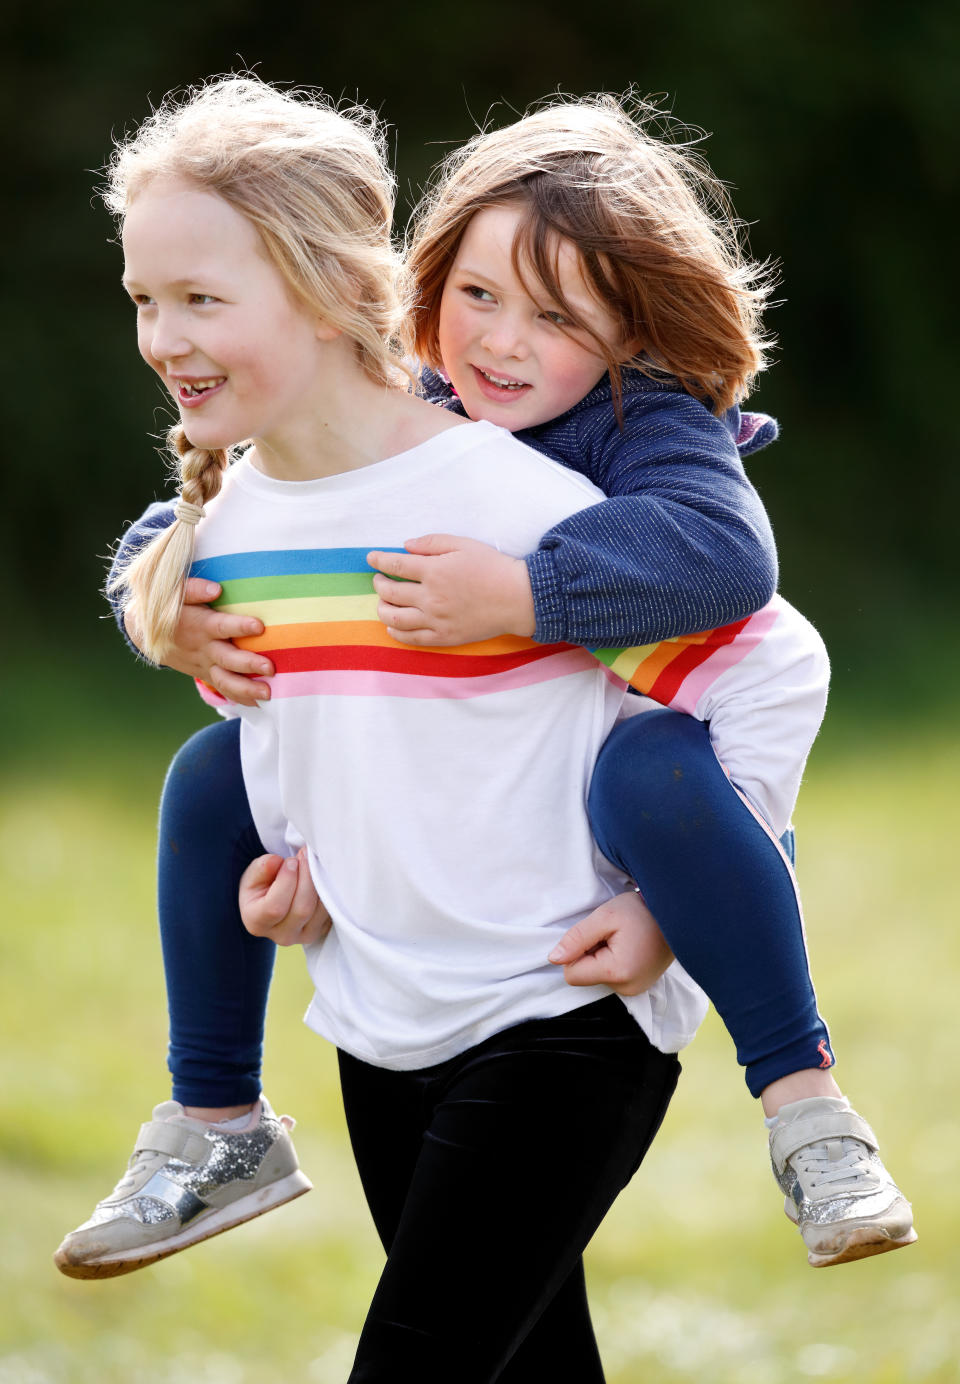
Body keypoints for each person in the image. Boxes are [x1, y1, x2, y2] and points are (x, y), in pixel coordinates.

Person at [55, 86, 913, 1306]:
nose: (503, 344)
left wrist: (528, 592)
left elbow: (744, 596)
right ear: (423, 280)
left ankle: (804, 1103)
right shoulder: (411, 414)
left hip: (600, 900)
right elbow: (223, 531)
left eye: (557, 316)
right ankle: (215, 1109)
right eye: (476, 296)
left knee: (649, 766)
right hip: (398, 999)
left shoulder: (643, 430)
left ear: (629, 332)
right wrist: (170, 612)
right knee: (206, 778)